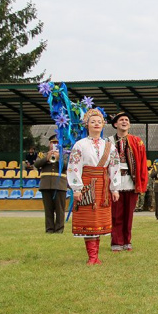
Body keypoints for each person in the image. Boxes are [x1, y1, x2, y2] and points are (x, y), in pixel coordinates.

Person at [67, 109, 121, 265]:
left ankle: (95, 256)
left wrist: (115, 188)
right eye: (93, 121)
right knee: (88, 221)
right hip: (86, 185)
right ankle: (92, 256)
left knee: (99, 221)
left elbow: (114, 167)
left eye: (99, 121)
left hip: (103, 187)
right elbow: (74, 166)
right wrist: (77, 188)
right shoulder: (80, 145)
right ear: (87, 125)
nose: (96, 124)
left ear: (103, 124)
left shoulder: (109, 146)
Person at [109, 112, 149, 251]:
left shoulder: (137, 141)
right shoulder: (108, 142)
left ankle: (127, 241)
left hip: (131, 180)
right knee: (116, 213)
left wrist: (142, 182)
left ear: (129, 124)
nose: (124, 122)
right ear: (115, 124)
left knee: (129, 214)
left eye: (126, 120)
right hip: (115, 180)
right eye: (121, 120)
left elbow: (143, 162)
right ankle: (116, 242)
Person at [33, 134, 69, 234]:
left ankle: (59, 229)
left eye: (57, 143)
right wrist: (47, 158)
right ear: (49, 143)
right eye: (53, 142)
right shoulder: (42, 154)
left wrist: (59, 159)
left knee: (59, 209)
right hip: (45, 184)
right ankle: (49, 229)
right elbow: (36, 164)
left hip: (59, 185)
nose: (55, 144)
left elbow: (68, 166)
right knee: (48, 210)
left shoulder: (65, 154)